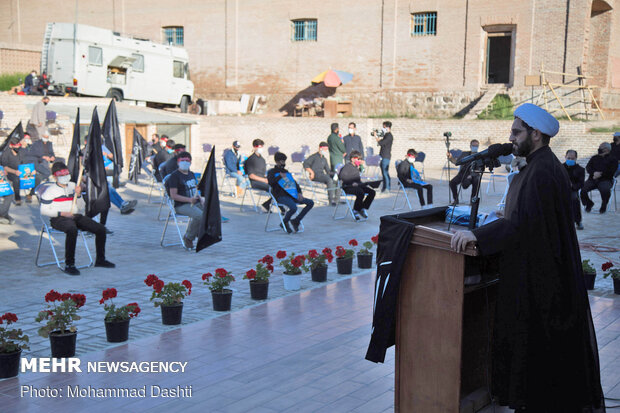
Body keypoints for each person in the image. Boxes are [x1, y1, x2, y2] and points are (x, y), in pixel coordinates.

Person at [451, 103, 604, 412]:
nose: (511, 137)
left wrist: (477, 235)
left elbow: (521, 226)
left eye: (516, 132)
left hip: (541, 278)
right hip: (536, 270)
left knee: (539, 351)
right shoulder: (538, 164)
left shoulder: (542, 169)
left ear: (536, 134)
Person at [40, 162, 115, 275]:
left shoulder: (72, 186)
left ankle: (100, 259)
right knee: (72, 230)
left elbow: (81, 206)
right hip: (58, 218)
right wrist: (62, 213)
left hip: (75, 215)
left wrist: (79, 195)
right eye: (62, 175)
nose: (65, 177)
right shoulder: (50, 191)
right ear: (55, 176)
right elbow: (43, 210)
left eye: (66, 174)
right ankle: (69, 264)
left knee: (100, 229)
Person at [267, 152, 314, 233]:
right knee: (293, 208)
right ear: (277, 162)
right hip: (280, 196)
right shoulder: (272, 172)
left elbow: (295, 184)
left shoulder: (286, 171)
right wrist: (279, 177)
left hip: (292, 195)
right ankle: (285, 222)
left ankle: (296, 220)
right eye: (282, 161)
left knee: (310, 203)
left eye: (284, 161)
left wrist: (299, 193)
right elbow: (270, 182)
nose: (283, 163)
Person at [166, 152, 203, 249]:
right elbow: (173, 195)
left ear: (190, 162)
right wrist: (189, 200)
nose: (185, 163)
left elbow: (195, 189)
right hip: (181, 205)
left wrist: (200, 198)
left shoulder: (191, 174)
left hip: (194, 202)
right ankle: (188, 237)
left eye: (187, 161)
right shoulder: (174, 176)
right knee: (200, 216)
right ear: (178, 162)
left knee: (210, 212)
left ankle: (200, 233)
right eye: (182, 160)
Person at [581, 142, 617, 214]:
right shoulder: (594, 158)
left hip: (606, 179)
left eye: (600, 147)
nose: (599, 149)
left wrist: (600, 174)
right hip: (593, 179)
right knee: (582, 189)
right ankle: (589, 203)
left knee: (605, 190)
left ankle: (604, 205)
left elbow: (612, 171)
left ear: (606, 149)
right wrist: (594, 173)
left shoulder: (613, 159)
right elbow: (588, 167)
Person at [339, 151, 375, 220]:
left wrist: (364, 184)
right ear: (352, 159)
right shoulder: (347, 166)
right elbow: (342, 177)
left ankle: (361, 208)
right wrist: (351, 183)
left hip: (358, 185)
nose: (359, 161)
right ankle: (355, 210)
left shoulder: (357, 167)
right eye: (358, 159)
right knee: (360, 192)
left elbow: (358, 179)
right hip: (348, 186)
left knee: (372, 192)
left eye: (360, 159)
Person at [21, 133, 51, 203]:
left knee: (47, 172)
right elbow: (20, 160)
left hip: (36, 164)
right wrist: (22, 147)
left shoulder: (31, 146)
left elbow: (38, 155)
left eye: (28, 138)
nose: (27, 140)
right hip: (27, 166)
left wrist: (44, 157)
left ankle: (32, 190)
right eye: (25, 138)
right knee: (38, 178)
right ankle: (31, 194)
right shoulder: (19, 149)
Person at [447, 140, 481, 204]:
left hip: (473, 174)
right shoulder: (464, 154)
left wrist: (471, 175)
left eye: (476, 146)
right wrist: (450, 157)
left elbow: (479, 169)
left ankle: (472, 200)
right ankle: (456, 200)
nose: (475, 147)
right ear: (470, 146)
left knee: (476, 180)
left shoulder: (479, 156)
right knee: (452, 183)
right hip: (463, 173)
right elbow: (457, 162)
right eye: (473, 145)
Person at [244, 139, 273, 212]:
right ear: (254, 147)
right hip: (255, 182)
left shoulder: (262, 159)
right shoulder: (251, 159)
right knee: (272, 189)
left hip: (263, 180)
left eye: (261, 147)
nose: (260, 149)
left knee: (279, 187)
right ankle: (270, 205)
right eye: (259, 147)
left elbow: (263, 174)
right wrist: (264, 180)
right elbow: (251, 175)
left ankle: (267, 204)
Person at [563, 149, 585, 230]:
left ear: (576, 158)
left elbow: (581, 183)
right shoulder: (560, 167)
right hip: (561, 189)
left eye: (572, 159)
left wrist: (573, 186)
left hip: (572, 190)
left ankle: (578, 221)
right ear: (565, 157)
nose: (570, 160)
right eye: (568, 158)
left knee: (574, 199)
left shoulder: (580, 169)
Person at [0, 136, 24, 206]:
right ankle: (17, 198)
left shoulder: (20, 152)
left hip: (20, 171)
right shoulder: (6, 153)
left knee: (38, 177)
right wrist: (14, 172)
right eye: (16, 145)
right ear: (11, 145)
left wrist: (31, 171)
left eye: (18, 145)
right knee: (16, 179)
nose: (17, 147)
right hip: (10, 172)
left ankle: (31, 194)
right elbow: (5, 167)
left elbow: (25, 163)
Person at [374, 121, 393, 192]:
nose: (383, 129)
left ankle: (387, 188)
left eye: (384, 127)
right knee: (384, 173)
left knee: (385, 173)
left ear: (388, 128)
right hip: (383, 155)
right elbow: (381, 141)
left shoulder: (389, 136)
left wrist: (376, 136)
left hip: (386, 156)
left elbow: (381, 143)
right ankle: (384, 187)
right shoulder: (386, 135)